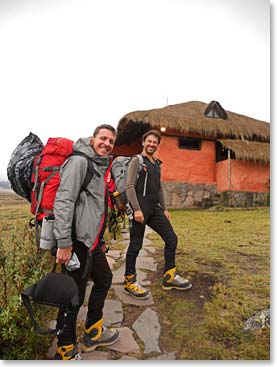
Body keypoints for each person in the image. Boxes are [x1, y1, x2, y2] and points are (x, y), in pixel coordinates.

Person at [53, 124, 119, 360]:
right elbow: (64, 200)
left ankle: (93, 330)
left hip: (92, 243)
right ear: (93, 139)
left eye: (111, 141)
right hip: (75, 242)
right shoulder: (79, 162)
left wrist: (100, 239)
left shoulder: (99, 166)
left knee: (104, 279)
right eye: (103, 138)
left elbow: (94, 208)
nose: (107, 144)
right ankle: (65, 348)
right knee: (73, 295)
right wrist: (63, 242)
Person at [123, 130, 192, 299]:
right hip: (140, 208)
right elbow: (129, 186)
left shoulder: (156, 164)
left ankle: (169, 276)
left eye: (155, 142)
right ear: (143, 142)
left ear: (157, 145)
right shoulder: (137, 161)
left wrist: (165, 208)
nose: (152, 144)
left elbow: (159, 188)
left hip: (154, 209)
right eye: (149, 141)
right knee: (135, 245)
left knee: (171, 238)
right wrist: (136, 209)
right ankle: (129, 281)